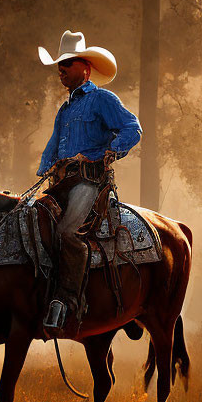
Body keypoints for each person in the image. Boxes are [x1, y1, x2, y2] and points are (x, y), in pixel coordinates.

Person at [37, 30, 142, 331]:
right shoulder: (65, 110)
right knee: (33, 223)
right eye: (59, 64)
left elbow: (132, 128)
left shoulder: (102, 99)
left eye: (67, 63)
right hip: (62, 184)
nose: (61, 69)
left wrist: (110, 152)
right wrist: (45, 169)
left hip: (90, 183)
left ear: (85, 67)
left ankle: (68, 301)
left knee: (68, 232)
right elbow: (52, 147)